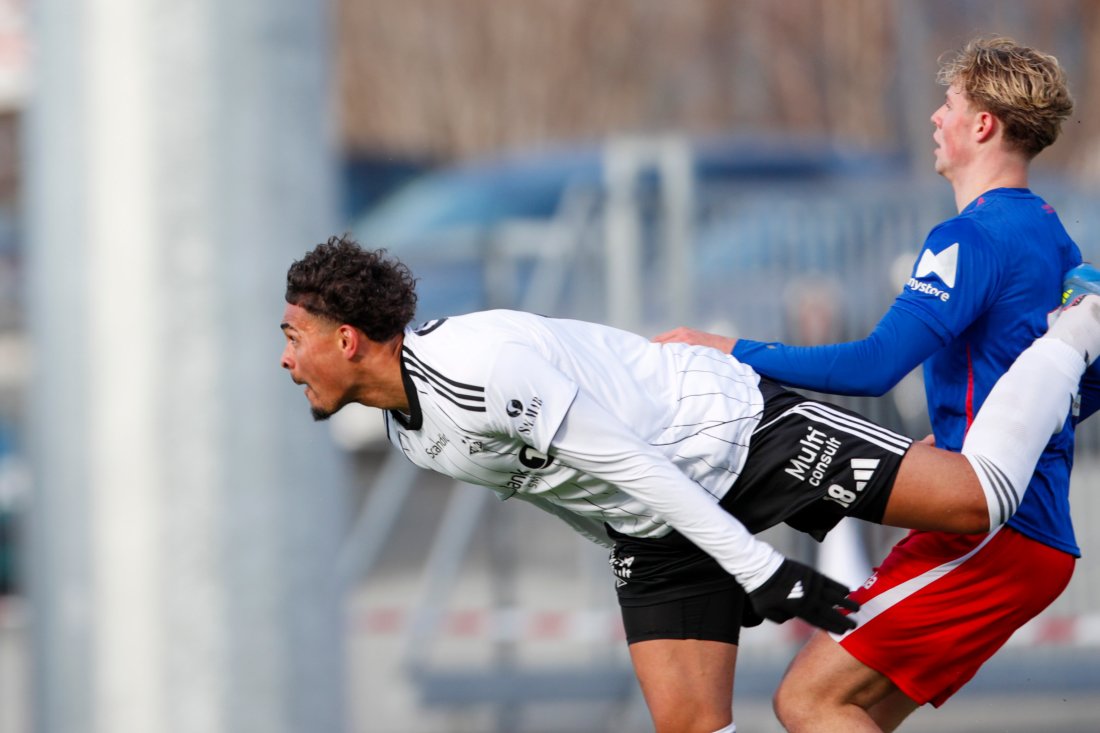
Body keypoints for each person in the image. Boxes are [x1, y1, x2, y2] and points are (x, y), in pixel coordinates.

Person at [281, 236, 1100, 733]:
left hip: (734, 436)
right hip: (656, 524)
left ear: (348, 339)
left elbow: (636, 462)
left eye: (293, 336)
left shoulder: (480, 369)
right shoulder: (411, 432)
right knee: (689, 724)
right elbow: (568, 490)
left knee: (973, 498)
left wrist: (759, 570)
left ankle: (1080, 325)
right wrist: (679, 555)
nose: (285, 358)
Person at [654, 37, 1095, 731]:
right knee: (848, 708)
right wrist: (962, 433)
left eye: (949, 104)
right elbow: (1087, 383)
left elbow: (872, 365)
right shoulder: (1051, 233)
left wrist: (731, 349)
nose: (934, 118)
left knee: (807, 699)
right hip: (1028, 535)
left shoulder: (969, 239)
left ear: (983, 125)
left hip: (994, 534)